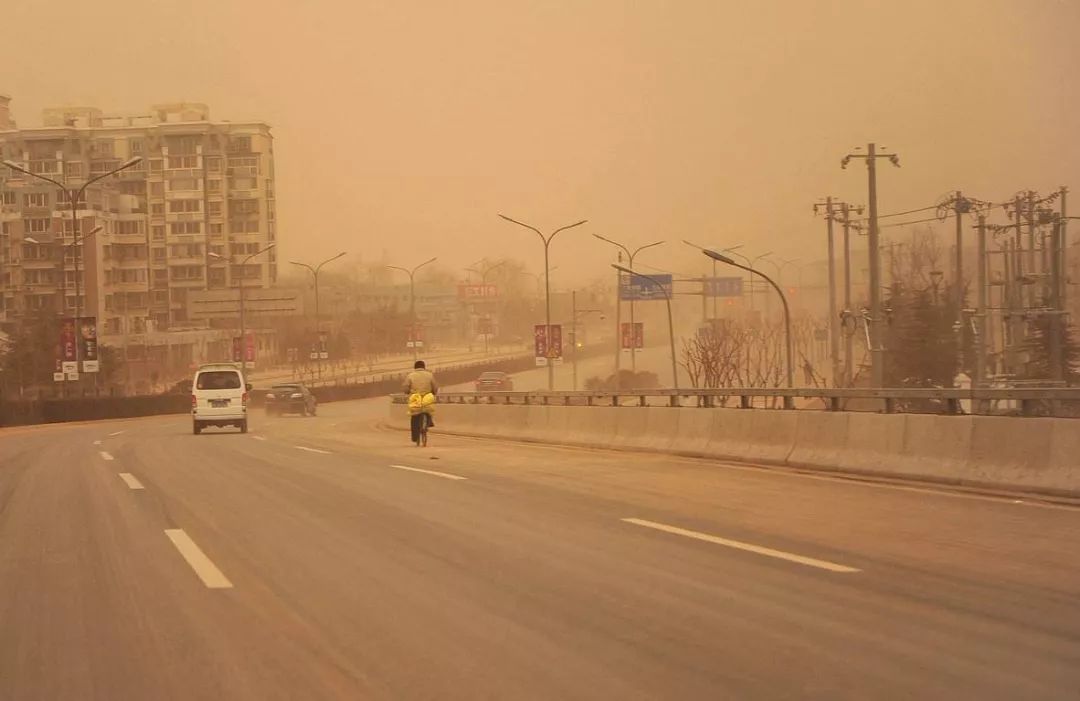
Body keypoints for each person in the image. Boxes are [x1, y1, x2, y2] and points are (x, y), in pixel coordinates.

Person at [403, 360, 438, 444]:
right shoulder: (430, 375)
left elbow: (406, 388)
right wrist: (433, 393)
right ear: (424, 367)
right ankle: (428, 423)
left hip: (415, 397)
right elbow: (435, 387)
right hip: (427, 396)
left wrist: (407, 392)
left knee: (414, 416)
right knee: (429, 411)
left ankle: (415, 437)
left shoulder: (410, 376)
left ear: (415, 367)